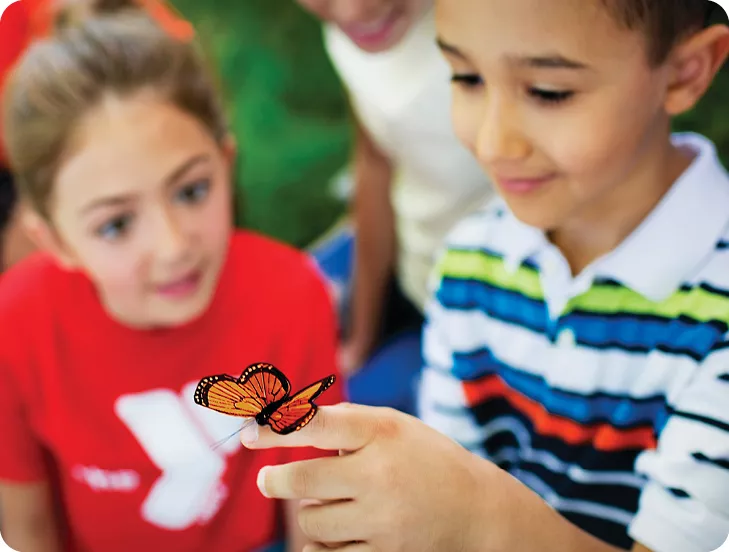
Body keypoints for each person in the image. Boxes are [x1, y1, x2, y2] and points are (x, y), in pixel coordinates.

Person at [240, 1, 729, 551]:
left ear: (686, 70)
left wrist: (475, 515)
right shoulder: (472, 255)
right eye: (466, 77)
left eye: (549, 91)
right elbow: (449, 462)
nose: (493, 144)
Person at [0, 8, 341, 552]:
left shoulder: (292, 293)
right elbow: (26, 529)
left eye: (191, 191)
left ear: (226, 163)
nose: (174, 246)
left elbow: (313, 512)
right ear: (55, 241)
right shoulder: (15, 327)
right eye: (115, 225)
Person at [297, 0, 495, 380]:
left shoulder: (508, 34)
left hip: (506, 315)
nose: (351, 12)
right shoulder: (361, 34)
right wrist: (361, 336)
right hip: (422, 277)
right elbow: (375, 160)